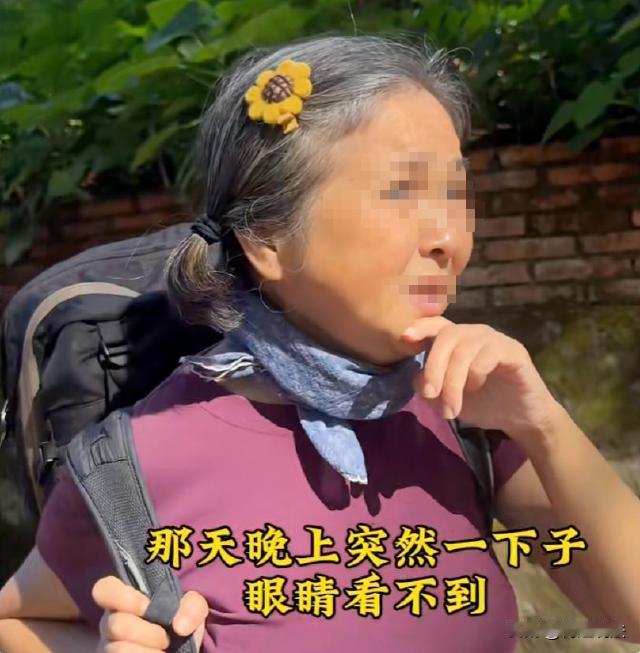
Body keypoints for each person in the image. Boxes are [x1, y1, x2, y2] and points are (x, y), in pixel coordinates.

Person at [1, 34, 640, 653]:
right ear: (267, 241)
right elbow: (16, 624)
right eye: (401, 192)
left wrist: (543, 424)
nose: (448, 238)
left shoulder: (467, 414)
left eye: (455, 193)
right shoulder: (141, 458)